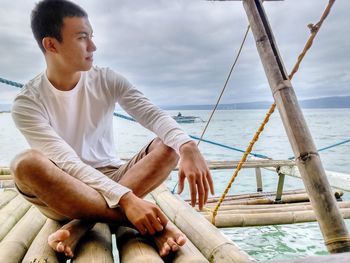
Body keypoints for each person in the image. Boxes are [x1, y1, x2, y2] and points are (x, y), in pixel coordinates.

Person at [10, 0, 214, 258]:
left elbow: (151, 113)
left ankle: (82, 225)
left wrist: (187, 145)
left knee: (169, 144)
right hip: (63, 191)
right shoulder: (27, 103)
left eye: (91, 36)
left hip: (114, 175)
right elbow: (68, 162)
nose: (93, 46)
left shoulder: (106, 79)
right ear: (51, 44)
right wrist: (128, 201)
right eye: (82, 38)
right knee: (25, 164)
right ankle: (150, 224)